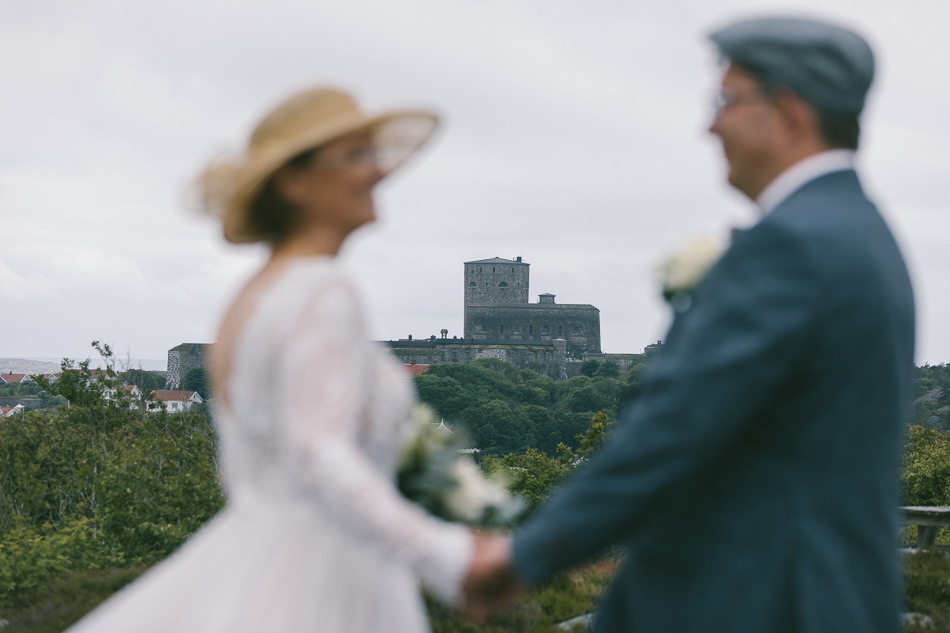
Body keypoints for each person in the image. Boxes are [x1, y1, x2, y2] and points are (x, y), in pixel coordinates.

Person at [463, 16, 916, 633]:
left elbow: (675, 429)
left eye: (727, 101)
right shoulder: (864, 235)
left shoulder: (790, 247)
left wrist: (526, 554)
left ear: (788, 112)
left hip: (754, 601)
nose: (710, 125)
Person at [65, 87, 476, 632]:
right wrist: (446, 556)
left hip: (254, 558)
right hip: (326, 577)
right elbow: (319, 450)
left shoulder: (250, 300)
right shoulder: (322, 290)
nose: (378, 171)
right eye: (356, 156)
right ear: (295, 180)